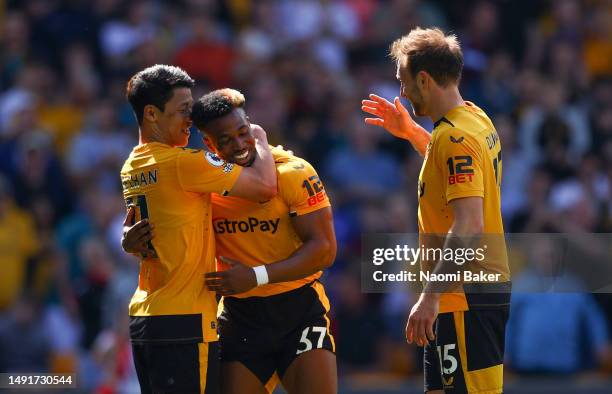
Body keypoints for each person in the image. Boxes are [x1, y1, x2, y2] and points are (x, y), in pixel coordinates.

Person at [122, 88, 337, 394]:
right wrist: (129, 241)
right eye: (225, 140)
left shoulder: (293, 172)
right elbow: (161, 229)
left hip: (299, 310)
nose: (239, 145)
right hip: (240, 317)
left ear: (252, 128)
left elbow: (325, 250)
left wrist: (256, 276)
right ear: (209, 144)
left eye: (243, 132)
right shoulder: (204, 186)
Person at [362, 27, 511, 394]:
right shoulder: (473, 118)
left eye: (403, 81)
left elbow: (470, 224)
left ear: (424, 79)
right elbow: (454, 169)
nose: (402, 92)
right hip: (462, 293)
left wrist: (430, 295)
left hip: (465, 294)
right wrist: (414, 134)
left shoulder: (453, 138)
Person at [121, 66, 277, 394]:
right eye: (182, 110)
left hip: (146, 318)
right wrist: (259, 136)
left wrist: (127, 242)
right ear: (151, 114)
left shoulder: (132, 165)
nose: (190, 118)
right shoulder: (184, 163)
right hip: (185, 321)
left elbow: (141, 234)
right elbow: (264, 186)